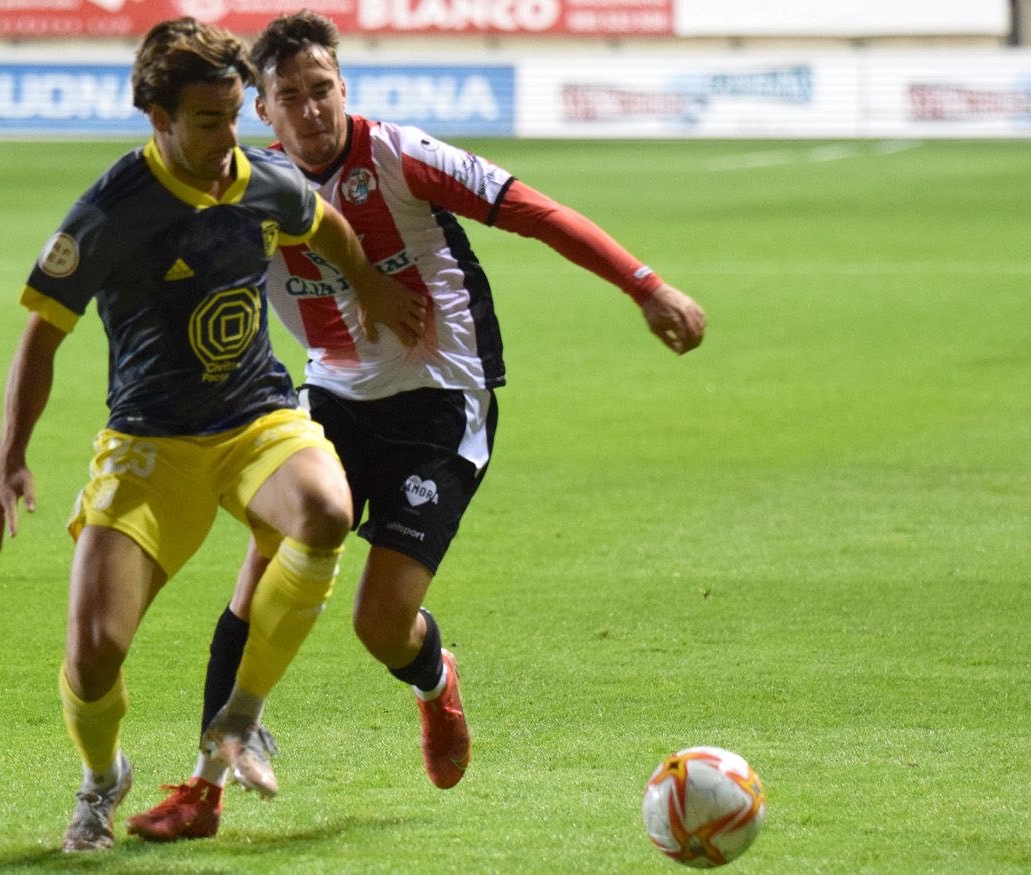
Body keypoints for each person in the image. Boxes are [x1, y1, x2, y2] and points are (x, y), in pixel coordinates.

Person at [125, 10, 707, 842]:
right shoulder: (248, 187)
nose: (311, 109)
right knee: (262, 569)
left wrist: (646, 285)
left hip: (440, 398)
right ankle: (202, 788)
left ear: (344, 88)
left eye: (322, 90)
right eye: (290, 97)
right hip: (331, 397)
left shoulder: (400, 155)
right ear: (265, 111)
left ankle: (436, 685)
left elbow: (534, 211)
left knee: (379, 624)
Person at [0, 16, 426, 853]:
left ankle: (243, 716)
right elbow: (42, 334)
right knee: (95, 654)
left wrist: (363, 285)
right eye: (210, 122)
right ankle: (102, 778)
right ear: (159, 119)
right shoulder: (113, 209)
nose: (232, 138)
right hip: (151, 445)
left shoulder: (259, 179)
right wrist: (11, 454)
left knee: (327, 511)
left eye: (236, 116)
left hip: (256, 418)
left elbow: (320, 219)